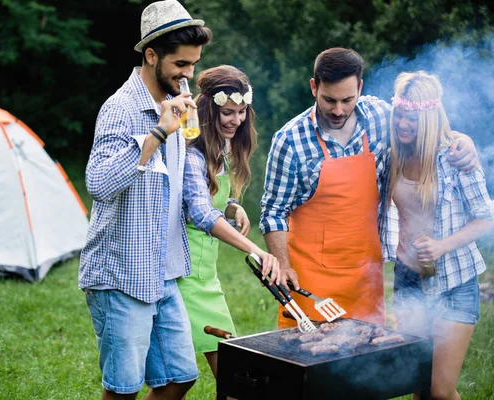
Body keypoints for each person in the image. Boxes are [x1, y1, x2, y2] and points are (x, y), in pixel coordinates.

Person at [260, 47, 480, 329]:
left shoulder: (380, 117)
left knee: (364, 366)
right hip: (310, 281)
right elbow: (273, 211)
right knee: (307, 362)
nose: (338, 110)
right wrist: (284, 265)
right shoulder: (290, 140)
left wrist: (462, 140)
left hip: (365, 278)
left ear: (360, 88)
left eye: (347, 99)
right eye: (329, 100)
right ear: (314, 87)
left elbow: (424, 126)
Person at [78, 1, 212, 399]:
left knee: (180, 377)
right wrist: (157, 134)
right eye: (181, 64)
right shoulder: (120, 109)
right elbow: (98, 183)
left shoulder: (178, 99)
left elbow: (182, 177)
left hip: (162, 270)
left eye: (193, 64)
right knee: (123, 390)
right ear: (151, 55)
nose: (189, 75)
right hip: (121, 274)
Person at [387, 71, 494, 400]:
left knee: (440, 390)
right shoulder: (392, 153)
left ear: (431, 117)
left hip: (454, 284)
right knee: (418, 385)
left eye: (413, 118)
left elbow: (486, 218)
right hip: (407, 280)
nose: (404, 124)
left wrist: (441, 246)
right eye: (400, 115)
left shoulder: (455, 158)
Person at [177, 65, 280, 380]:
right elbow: (200, 212)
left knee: (220, 377)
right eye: (228, 113)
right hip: (182, 278)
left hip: (206, 277)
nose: (236, 119)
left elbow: (209, 198)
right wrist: (256, 250)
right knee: (187, 378)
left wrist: (233, 206)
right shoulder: (192, 153)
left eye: (241, 112)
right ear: (210, 111)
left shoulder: (219, 150)